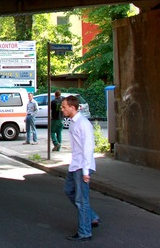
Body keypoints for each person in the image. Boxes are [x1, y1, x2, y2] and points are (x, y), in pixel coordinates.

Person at [61, 95, 101, 241]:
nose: (62, 109)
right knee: (69, 191)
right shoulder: (72, 122)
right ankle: (92, 217)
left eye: (64, 106)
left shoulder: (84, 124)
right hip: (75, 164)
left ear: (73, 107)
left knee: (81, 200)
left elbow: (88, 148)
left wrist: (85, 171)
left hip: (82, 166)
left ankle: (85, 232)